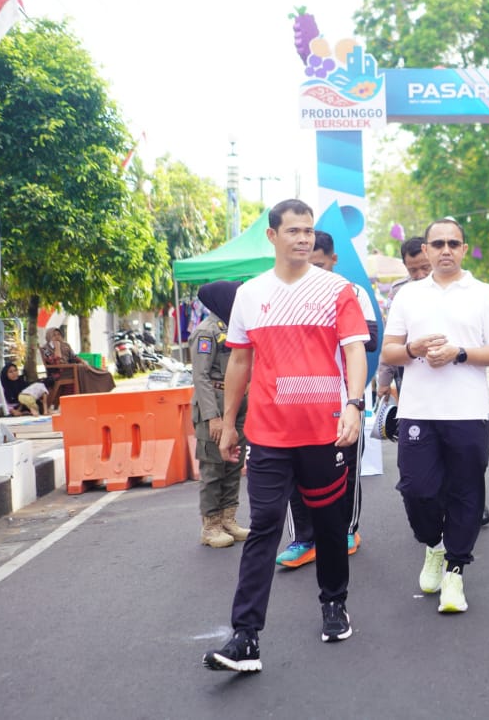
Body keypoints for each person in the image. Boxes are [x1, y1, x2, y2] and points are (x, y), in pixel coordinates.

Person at [203, 199, 369, 673]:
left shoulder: (337, 289)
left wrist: (354, 404)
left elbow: (354, 351)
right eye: (293, 230)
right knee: (265, 526)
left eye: (308, 231)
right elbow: (240, 361)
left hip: (325, 430)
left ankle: (334, 603)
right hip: (268, 434)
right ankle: (245, 636)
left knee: (330, 523)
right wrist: (229, 422)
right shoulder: (250, 294)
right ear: (272, 236)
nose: (303, 238)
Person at [380, 218, 489, 614]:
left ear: (464, 248)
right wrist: (414, 349)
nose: (446, 250)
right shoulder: (408, 296)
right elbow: (388, 351)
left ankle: (455, 570)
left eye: (454, 243)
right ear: (426, 250)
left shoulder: (484, 294)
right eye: (438, 244)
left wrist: (460, 353)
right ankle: (434, 545)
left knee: (465, 492)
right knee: (417, 490)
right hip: (417, 411)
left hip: (468, 412)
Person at [275, 229, 377, 568]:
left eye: (319, 264)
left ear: (333, 259)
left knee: (347, 466)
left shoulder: (351, 291)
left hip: (343, 396)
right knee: (295, 472)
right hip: (295, 399)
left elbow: (370, 339)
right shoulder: (282, 290)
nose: (312, 269)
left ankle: (347, 530)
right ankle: (304, 539)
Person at [191, 281, 251, 549]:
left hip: (237, 405)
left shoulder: (235, 328)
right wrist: (212, 417)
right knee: (214, 467)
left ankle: (228, 519)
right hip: (214, 404)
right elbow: (201, 377)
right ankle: (211, 525)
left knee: (234, 463)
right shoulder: (206, 332)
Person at [376, 236, 432, 402]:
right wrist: (384, 380)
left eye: (425, 268)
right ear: (405, 265)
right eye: (413, 270)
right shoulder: (398, 291)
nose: (420, 275)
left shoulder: (452, 287)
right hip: (409, 370)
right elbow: (390, 338)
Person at [40, 326, 116, 409]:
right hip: (58, 372)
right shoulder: (45, 349)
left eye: (58, 334)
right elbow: (55, 362)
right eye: (54, 335)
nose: (57, 337)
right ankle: (86, 399)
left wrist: (83, 361)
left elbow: (74, 357)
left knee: (87, 368)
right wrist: (57, 347)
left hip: (71, 369)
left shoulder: (66, 345)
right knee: (81, 369)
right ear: (49, 336)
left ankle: (100, 383)